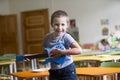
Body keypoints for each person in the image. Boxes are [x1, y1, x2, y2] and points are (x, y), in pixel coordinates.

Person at [42, 10, 82, 80]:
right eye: (56, 24)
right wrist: (30, 57)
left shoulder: (66, 37)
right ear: (52, 24)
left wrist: (62, 52)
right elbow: (45, 54)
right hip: (54, 71)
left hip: (68, 70)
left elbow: (79, 50)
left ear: (67, 25)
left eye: (62, 24)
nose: (60, 28)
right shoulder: (47, 38)